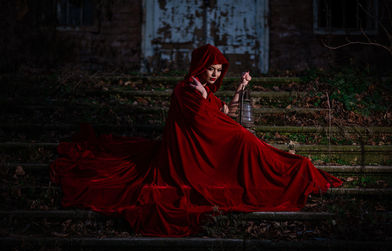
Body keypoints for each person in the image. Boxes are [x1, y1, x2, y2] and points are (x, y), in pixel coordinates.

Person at [50, 44, 342, 237]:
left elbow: (227, 112)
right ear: (200, 67)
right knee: (245, 142)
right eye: (210, 69)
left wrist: (239, 88)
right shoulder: (185, 90)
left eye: (218, 71)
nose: (215, 75)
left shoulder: (206, 91)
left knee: (250, 143)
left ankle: (297, 171)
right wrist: (234, 132)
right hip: (190, 157)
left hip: (218, 146)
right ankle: (293, 174)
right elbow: (205, 123)